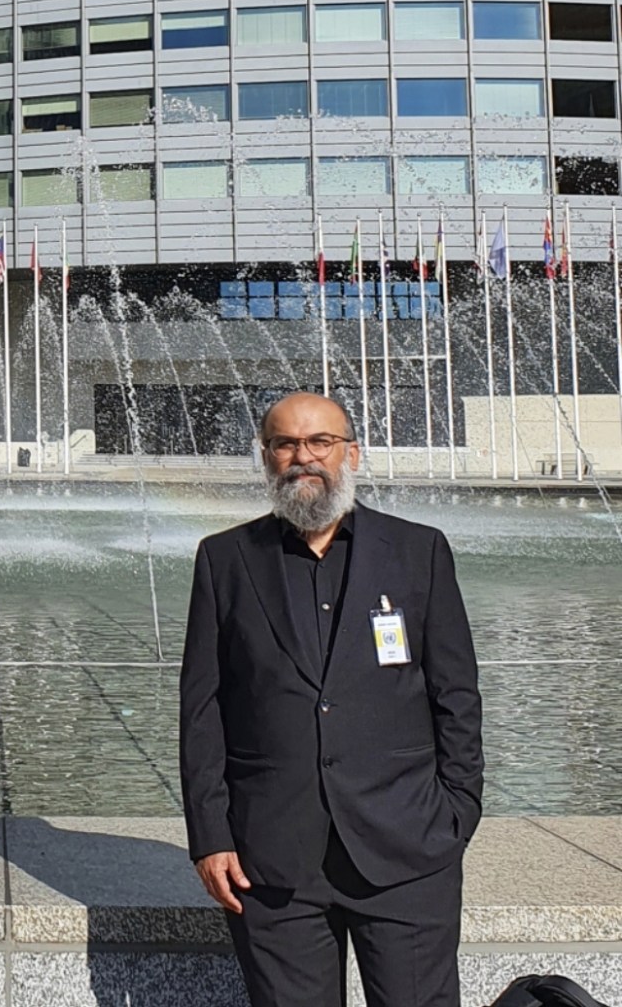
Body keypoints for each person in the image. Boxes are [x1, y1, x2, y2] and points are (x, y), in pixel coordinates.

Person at [178, 391, 483, 1007]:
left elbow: (457, 696)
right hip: (271, 859)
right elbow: (203, 709)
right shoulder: (226, 560)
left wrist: (458, 811)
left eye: (321, 442)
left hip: (407, 848)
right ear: (265, 457)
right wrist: (211, 835)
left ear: (352, 453)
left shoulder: (418, 551)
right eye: (286, 444)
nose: (304, 458)